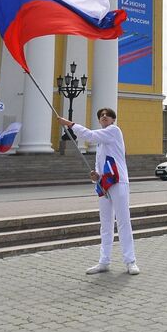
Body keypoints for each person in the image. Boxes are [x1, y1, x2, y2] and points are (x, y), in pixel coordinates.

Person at [61, 107, 139, 276]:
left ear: (112, 119)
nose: (104, 117)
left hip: (118, 182)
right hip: (105, 184)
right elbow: (100, 165)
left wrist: (70, 124)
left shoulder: (114, 131)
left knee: (123, 221)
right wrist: (95, 176)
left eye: (107, 115)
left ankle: (130, 261)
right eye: (101, 115)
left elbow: (90, 135)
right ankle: (104, 261)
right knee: (106, 224)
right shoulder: (101, 144)